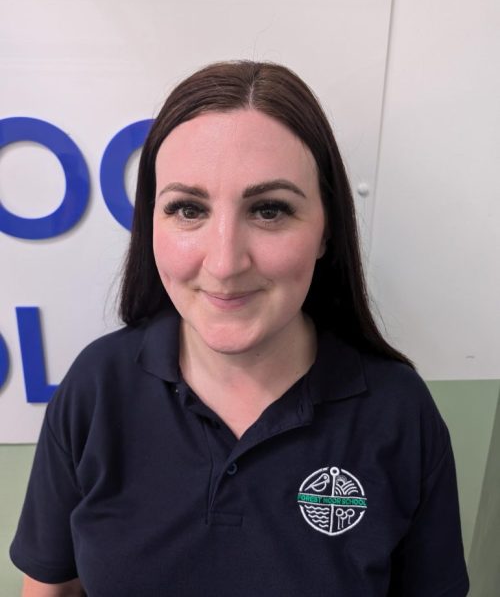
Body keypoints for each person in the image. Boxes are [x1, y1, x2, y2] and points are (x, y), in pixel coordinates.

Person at [11, 60, 469, 596]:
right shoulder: (97, 386)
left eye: (270, 210)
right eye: (188, 209)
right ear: (150, 225)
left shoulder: (399, 413)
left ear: (327, 230)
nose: (225, 263)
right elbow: (51, 587)